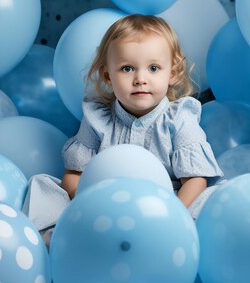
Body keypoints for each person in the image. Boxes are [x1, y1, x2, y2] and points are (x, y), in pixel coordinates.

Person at [22, 14, 224, 240]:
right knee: (44, 189)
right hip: (104, 204)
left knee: (213, 202)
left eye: (154, 68)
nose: (140, 78)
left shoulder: (179, 118)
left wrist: (174, 212)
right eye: (127, 69)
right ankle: (60, 241)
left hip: (165, 202)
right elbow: (73, 175)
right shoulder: (98, 118)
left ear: (173, 73)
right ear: (108, 76)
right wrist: (87, 203)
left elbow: (196, 180)